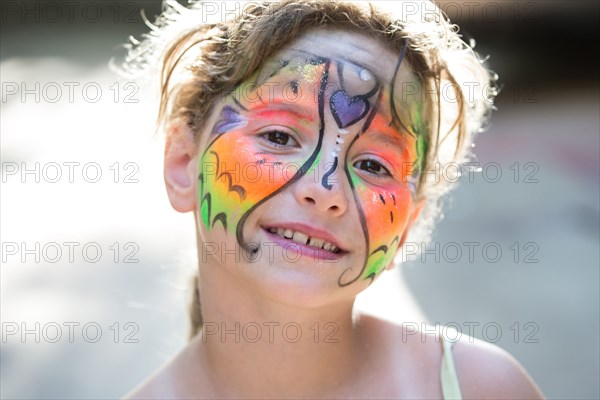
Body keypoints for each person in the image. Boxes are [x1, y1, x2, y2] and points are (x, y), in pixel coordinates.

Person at [121, 1, 544, 398]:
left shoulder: (484, 388)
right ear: (182, 162)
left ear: (407, 225)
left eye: (374, 165)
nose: (325, 190)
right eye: (279, 136)